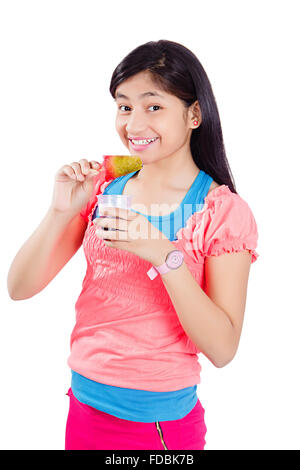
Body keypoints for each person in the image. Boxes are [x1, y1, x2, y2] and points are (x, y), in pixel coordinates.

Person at [7, 39, 259, 451]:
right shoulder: (103, 190)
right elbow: (19, 288)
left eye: (153, 106)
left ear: (194, 114)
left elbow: (223, 347)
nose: (134, 125)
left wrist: (164, 254)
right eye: (124, 106)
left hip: (160, 427)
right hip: (84, 406)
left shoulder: (223, 213)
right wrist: (59, 212)